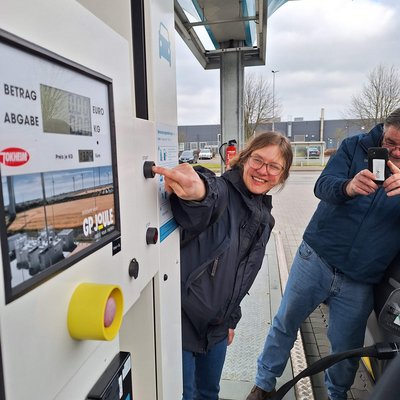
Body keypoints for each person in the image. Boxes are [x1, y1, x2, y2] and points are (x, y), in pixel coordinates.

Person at [246, 108, 400, 400]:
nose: (395, 151)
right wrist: (348, 186)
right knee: (284, 324)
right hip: (316, 257)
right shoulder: (354, 146)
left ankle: (337, 395)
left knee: (345, 350)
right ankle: (263, 385)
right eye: (391, 143)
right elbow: (322, 186)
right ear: (384, 130)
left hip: (360, 277)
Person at [152, 132, 293, 400]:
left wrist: (231, 319)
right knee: (186, 395)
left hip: (217, 328)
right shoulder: (223, 192)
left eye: (274, 166)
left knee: (209, 393)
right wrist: (197, 190)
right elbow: (207, 194)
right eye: (258, 160)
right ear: (244, 158)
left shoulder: (264, 215)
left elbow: (241, 274)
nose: (263, 171)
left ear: (282, 175)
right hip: (182, 323)